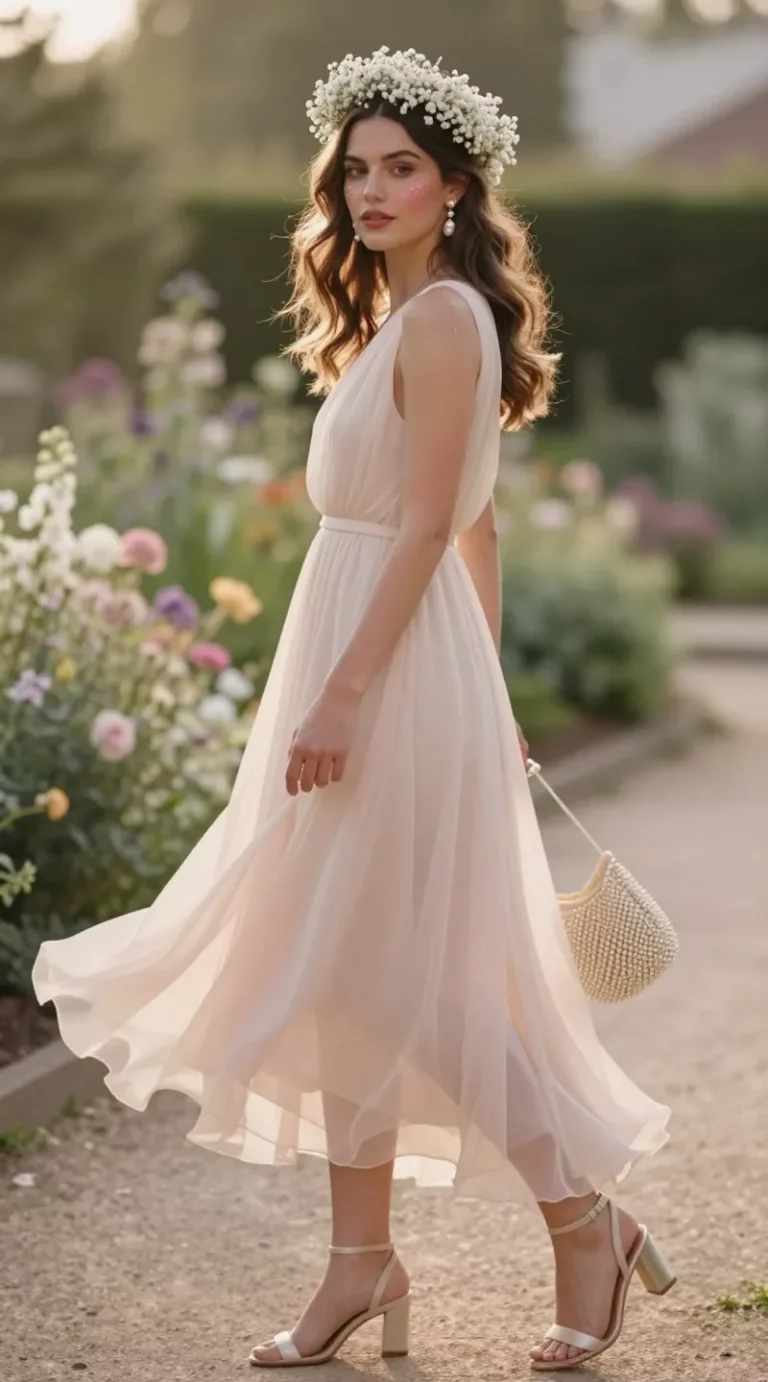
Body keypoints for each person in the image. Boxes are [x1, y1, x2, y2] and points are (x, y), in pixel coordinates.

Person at [32, 46, 674, 1373]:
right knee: (341, 966)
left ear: (453, 188)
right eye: (356, 168)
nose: (372, 189)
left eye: (402, 168)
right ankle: (358, 1262)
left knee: (403, 975)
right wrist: (480, 689)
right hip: (391, 659)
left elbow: (436, 523)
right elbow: (480, 527)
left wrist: (354, 689)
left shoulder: (442, 319)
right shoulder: (387, 320)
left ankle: (582, 1215)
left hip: (373, 667)